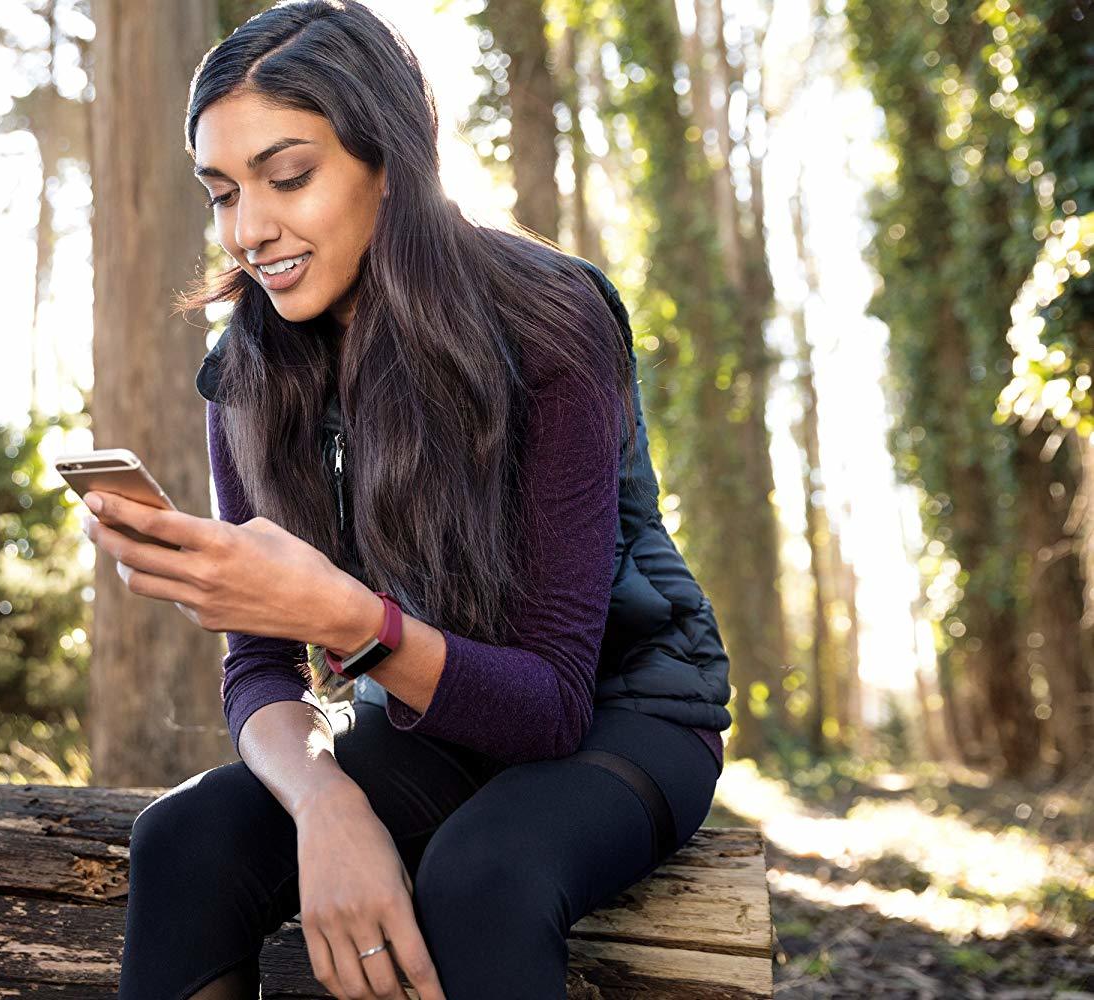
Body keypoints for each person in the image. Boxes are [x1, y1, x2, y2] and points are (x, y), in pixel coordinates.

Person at [88, 2, 732, 997]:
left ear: (388, 159)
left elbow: (553, 704)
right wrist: (323, 805)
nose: (250, 229)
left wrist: (345, 618)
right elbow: (258, 672)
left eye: (288, 175)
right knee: (184, 837)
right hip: (431, 714)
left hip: (621, 708)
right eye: (221, 194)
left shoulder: (552, 322)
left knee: (482, 875)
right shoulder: (247, 378)